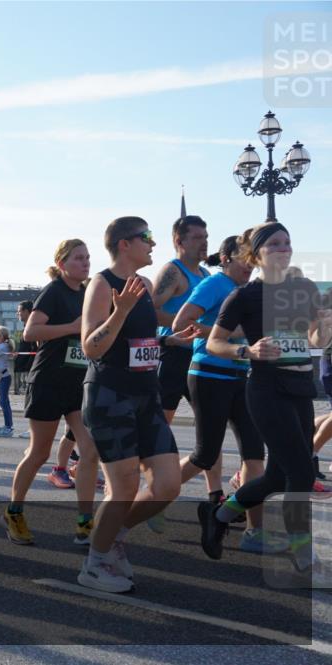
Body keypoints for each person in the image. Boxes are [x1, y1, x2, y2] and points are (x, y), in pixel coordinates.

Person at [199, 222, 332, 573]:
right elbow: (214, 342)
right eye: (274, 244)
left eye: (287, 242)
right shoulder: (243, 296)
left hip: (301, 390)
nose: (284, 248)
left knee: (276, 478)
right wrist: (250, 351)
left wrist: (325, 324)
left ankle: (221, 514)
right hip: (265, 390)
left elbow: (316, 341)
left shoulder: (303, 287)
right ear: (256, 255)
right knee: (302, 471)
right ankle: (302, 551)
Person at [78, 217, 194, 593]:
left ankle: (114, 536)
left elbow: (140, 344)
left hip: (147, 394)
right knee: (123, 486)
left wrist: (169, 341)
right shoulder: (102, 284)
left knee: (168, 484)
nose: (153, 243)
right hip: (110, 396)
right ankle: (95, 563)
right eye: (146, 237)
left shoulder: (144, 285)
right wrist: (120, 311)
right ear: (124, 244)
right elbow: (91, 348)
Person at [171, 236, 276, 552]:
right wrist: (228, 332)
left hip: (241, 376)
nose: (250, 264)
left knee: (255, 454)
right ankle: (155, 494)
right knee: (205, 454)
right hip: (207, 375)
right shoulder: (216, 284)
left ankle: (254, 532)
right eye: (245, 257)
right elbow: (181, 323)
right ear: (228, 258)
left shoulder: (249, 292)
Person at [4, 239, 101, 547]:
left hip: (76, 382)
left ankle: (86, 521)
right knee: (39, 452)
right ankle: (14, 511)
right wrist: (71, 327)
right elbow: (30, 333)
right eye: (78, 258)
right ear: (62, 264)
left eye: (87, 258)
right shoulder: (54, 291)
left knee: (89, 449)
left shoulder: (86, 294)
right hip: (47, 381)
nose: (85, 263)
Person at [151, 215, 210, 423]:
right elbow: (149, 312)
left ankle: (203, 457)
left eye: (206, 237)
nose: (204, 243)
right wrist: (184, 324)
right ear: (179, 241)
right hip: (174, 355)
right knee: (160, 424)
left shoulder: (205, 274)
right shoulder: (173, 272)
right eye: (197, 237)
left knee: (211, 422)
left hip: (199, 356)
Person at [13, 301, 36, 398]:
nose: (17, 314)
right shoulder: (26, 328)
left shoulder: (34, 328)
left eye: (19, 311)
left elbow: (35, 348)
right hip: (28, 369)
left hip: (33, 369)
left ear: (26, 311)